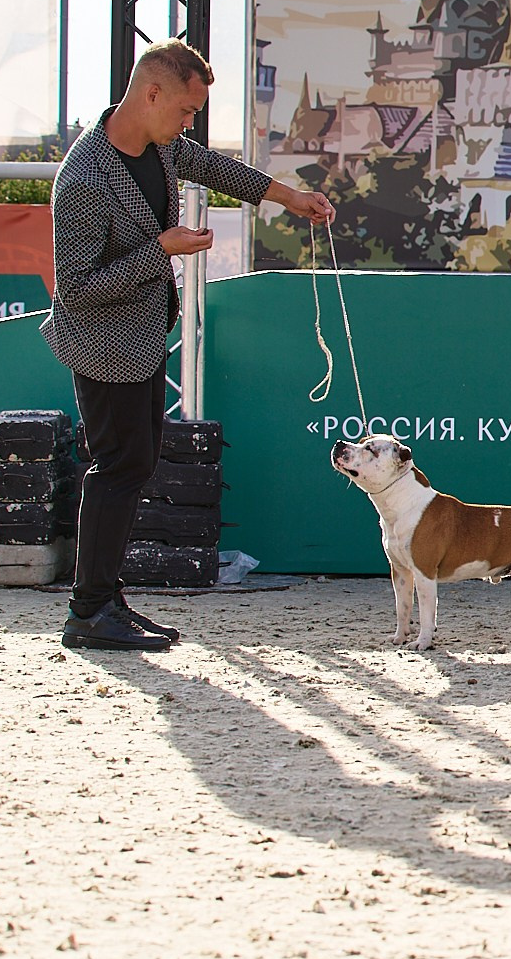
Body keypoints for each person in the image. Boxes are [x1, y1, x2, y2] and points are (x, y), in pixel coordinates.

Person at [45, 38, 335, 651]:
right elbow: (76, 290)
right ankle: (89, 611)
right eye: (183, 112)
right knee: (118, 470)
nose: (187, 126)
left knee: (132, 466)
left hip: (145, 338)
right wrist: (162, 250)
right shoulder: (83, 176)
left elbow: (217, 169)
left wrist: (289, 198)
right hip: (103, 346)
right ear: (151, 94)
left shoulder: (161, 145)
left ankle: (104, 600)